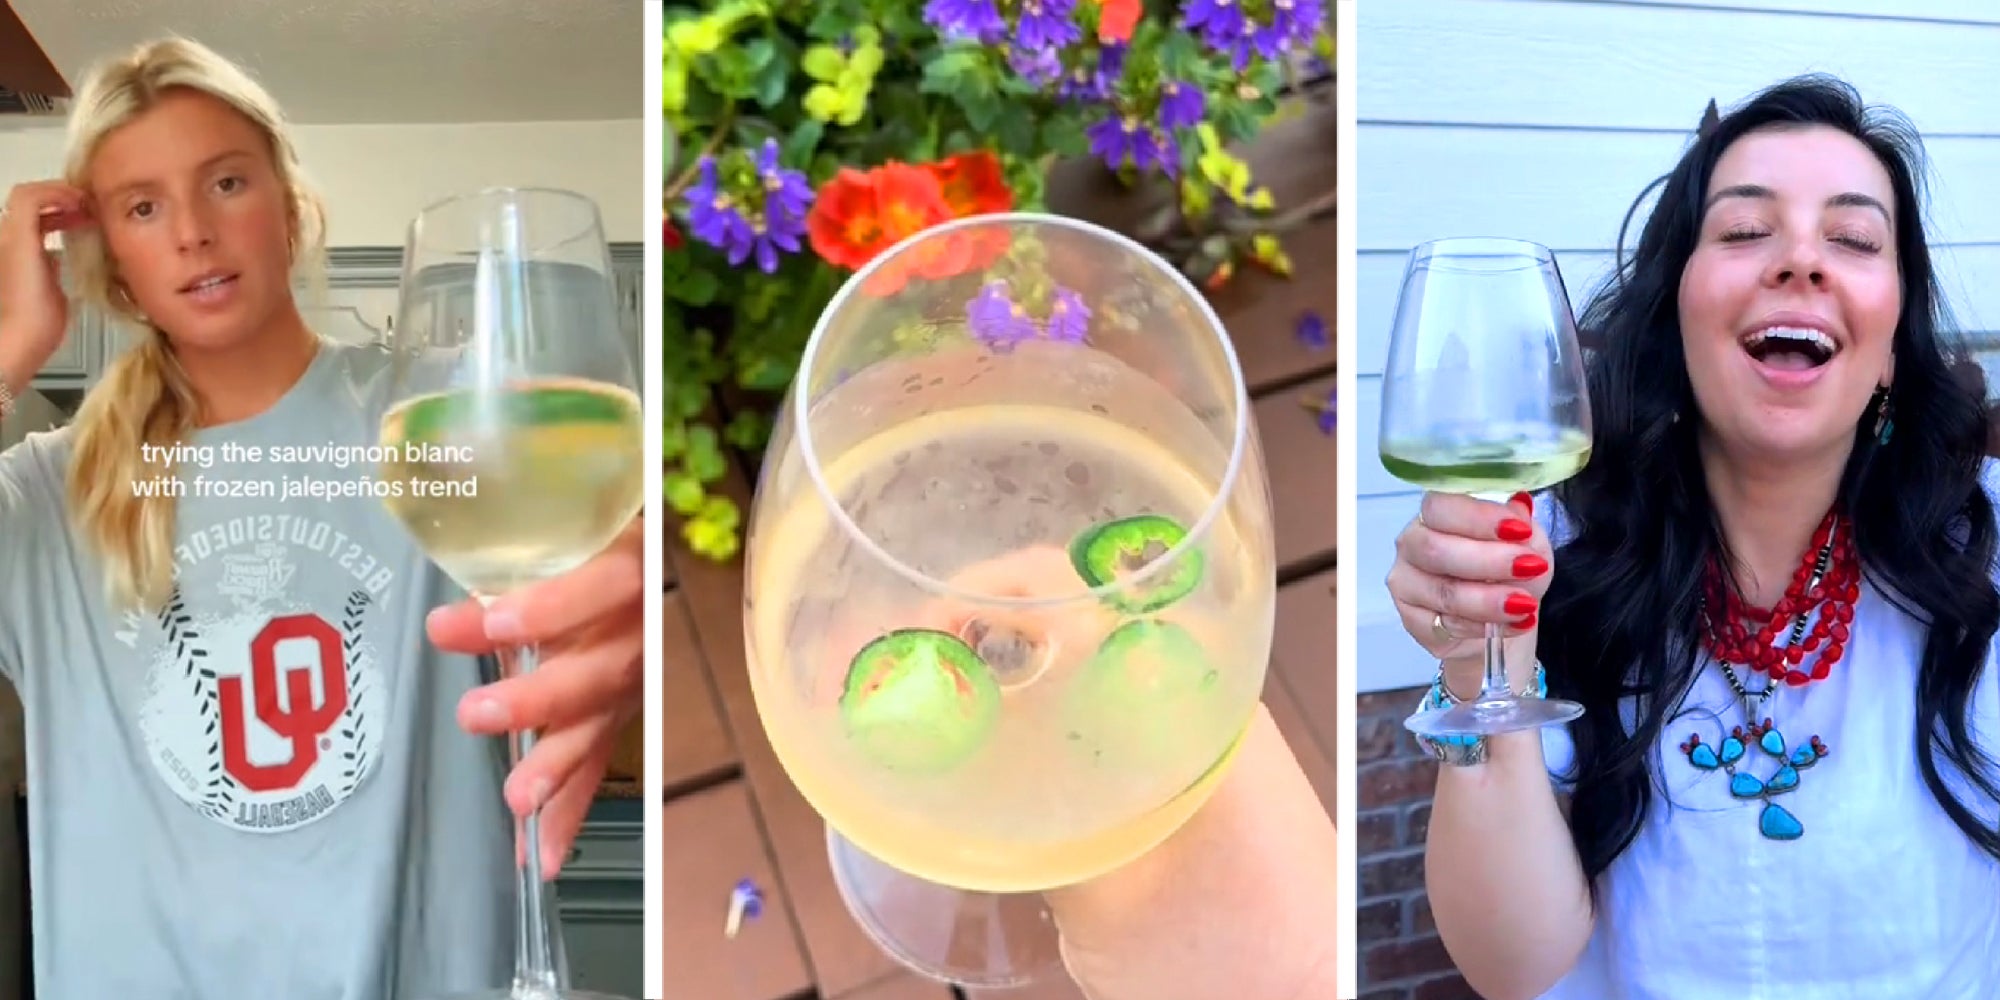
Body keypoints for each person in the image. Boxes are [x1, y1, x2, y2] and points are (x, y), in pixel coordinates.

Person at [0, 37, 641, 996]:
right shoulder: (46, 495)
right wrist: (9, 348)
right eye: (142, 207)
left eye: (224, 184)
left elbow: (596, 581)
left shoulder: (432, 423)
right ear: (115, 267)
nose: (191, 234)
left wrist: (624, 598)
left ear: (289, 211)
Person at [1385, 74, 2000, 999]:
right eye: (1746, 231)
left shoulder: (1981, 552)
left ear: (1891, 346)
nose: (1800, 261)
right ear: (1677, 312)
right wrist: (1480, 672)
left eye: (1854, 238)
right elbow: (1515, 967)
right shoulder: (1548, 553)